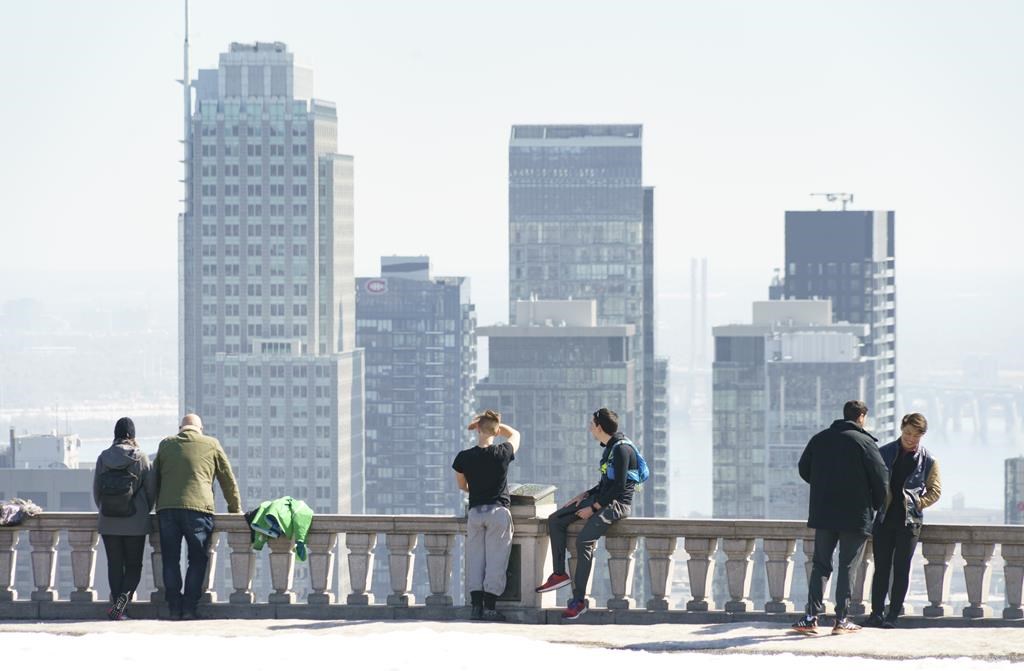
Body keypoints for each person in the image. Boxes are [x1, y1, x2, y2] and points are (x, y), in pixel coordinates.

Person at [792, 400, 888, 635]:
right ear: (862, 416)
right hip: (855, 517)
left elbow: (804, 469)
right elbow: (881, 480)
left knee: (821, 565)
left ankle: (810, 617)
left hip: (824, 513)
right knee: (847, 567)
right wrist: (875, 506)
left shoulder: (820, 439)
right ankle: (841, 620)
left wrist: (824, 487)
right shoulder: (865, 443)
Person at [535, 407, 639, 620]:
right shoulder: (610, 448)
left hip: (617, 505)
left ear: (599, 426)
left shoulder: (621, 450)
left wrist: (593, 507)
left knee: (584, 540)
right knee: (556, 520)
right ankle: (559, 574)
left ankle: (578, 600)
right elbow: (605, 484)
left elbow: (619, 488)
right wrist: (585, 495)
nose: (590, 428)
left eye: (592, 424)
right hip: (602, 498)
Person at [154, 414, 241, 620]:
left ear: (180, 428)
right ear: (200, 429)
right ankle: (189, 608)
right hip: (199, 510)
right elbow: (227, 479)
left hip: (167, 510)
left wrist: (154, 505)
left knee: (170, 560)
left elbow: (154, 478)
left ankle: (174, 608)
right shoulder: (211, 444)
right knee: (198, 559)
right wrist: (235, 510)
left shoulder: (166, 444)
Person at [863, 412, 942, 628]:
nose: (910, 439)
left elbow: (935, 491)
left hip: (910, 522)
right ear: (901, 429)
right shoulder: (885, 452)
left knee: (901, 568)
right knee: (881, 568)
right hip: (885, 519)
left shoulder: (929, 460)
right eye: (908, 433)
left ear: (922, 436)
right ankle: (876, 613)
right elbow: (872, 482)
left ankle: (892, 615)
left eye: (916, 436)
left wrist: (918, 503)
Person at [452, 410, 521, 621]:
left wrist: (482, 425)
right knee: (496, 561)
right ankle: (490, 607)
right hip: (498, 513)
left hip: (475, 513)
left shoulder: (464, 457)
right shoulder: (502, 452)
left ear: (478, 429)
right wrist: (498, 426)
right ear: (496, 431)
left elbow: (462, 485)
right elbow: (515, 434)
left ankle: (475, 606)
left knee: (475, 560)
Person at [92, 417, 156, 620]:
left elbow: (96, 491)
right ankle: (120, 607)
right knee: (134, 566)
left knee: (114, 565)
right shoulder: (141, 458)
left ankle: (118, 608)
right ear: (132, 435)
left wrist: (106, 509)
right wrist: (145, 511)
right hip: (135, 522)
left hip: (109, 521)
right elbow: (151, 491)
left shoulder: (103, 457)